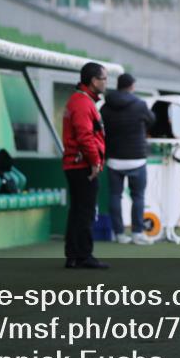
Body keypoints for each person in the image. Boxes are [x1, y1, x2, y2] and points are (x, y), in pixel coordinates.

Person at [62, 62, 109, 269]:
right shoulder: (83, 103)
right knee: (85, 211)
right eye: (104, 78)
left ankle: (73, 255)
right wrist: (95, 162)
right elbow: (85, 136)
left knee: (78, 210)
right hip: (83, 165)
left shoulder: (80, 100)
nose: (106, 83)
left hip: (76, 164)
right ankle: (83, 255)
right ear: (93, 81)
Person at [101, 73, 155, 245]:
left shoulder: (105, 106)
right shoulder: (140, 104)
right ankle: (137, 233)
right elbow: (151, 120)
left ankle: (119, 234)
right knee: (138, 197)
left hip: (114, 158)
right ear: (131, 86)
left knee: (115, 196)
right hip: (137, 158)